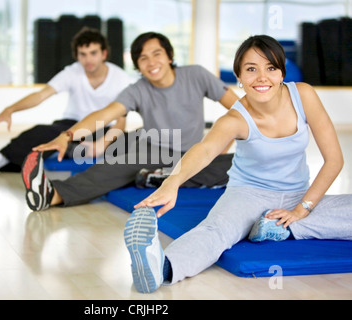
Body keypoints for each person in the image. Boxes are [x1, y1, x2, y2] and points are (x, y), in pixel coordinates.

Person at [126, 34, 352, 294]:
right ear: (239, 77)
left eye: (270, 68)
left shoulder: (303, 95)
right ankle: (160, 267)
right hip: (248, 194)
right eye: (251, 69)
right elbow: (205, 149)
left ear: (281, 73)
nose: (262, 77)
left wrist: (302, 209)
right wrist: (172, 182)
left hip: (299, 195)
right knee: (218, 231)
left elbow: (334, 160)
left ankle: (277, 228)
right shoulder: (234, 118)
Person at [22, 32, 238, 212]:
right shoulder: (138, 90)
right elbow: (105, 114)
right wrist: (66, 135)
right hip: (153, 149)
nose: (151, 62)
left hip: (192, 153)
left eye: (157, 54)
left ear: (169, 56)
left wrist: (220, 146)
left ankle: (158, 178)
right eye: (143, 58)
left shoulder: (196, 75)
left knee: (236, 165)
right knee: (114, 167)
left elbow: (240, 111)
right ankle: (53, 195)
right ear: (137, 65)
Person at [0, 27, 132, 175]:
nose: (88, 59)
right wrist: (10, 109)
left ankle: (73, 149)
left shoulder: (120, 78)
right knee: (40, 132)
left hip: (104, 129)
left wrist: (102, 144)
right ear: (77, 55)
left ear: (104, 54)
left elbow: (121, 121)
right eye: (83, 54)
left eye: (93, 53)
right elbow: (41, 95)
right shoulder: (72, 72)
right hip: (72, 126)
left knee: (129, 142)